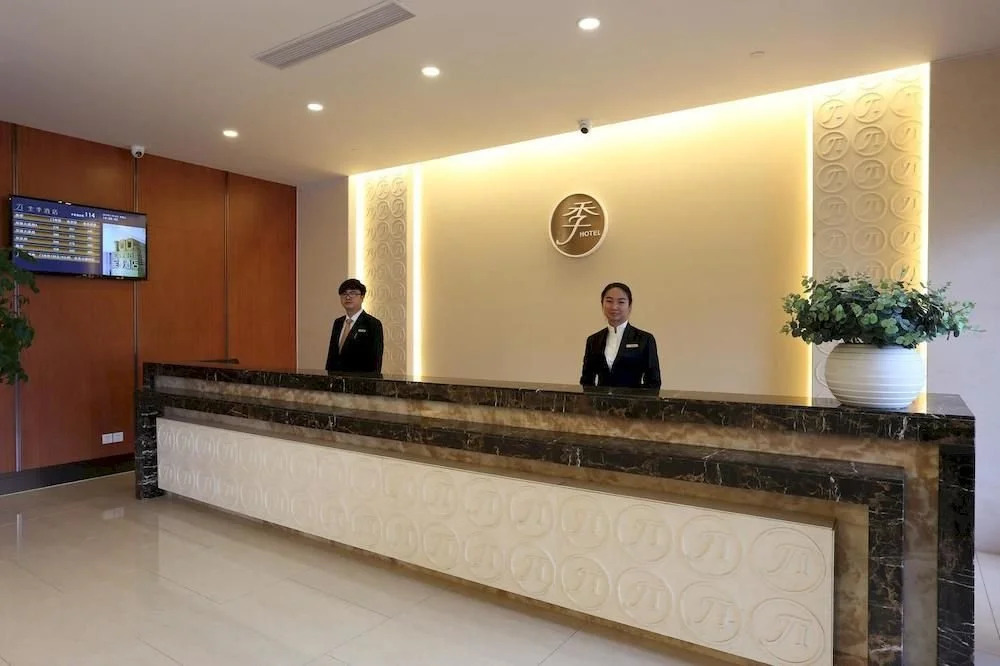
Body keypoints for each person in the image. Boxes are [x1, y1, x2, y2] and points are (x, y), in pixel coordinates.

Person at [580, 282, 661, 389]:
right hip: (600, 399)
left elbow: (653, 382)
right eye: (609, 301)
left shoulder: (644, 339)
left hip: (632, 399)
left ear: (629, 306)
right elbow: (586, 380)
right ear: (602, 304)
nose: (614, 307)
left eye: (621, 302)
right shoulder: (593, 340)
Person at [325, 279, 384, 374]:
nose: (348, 297)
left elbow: (376, 361)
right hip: (336, 379)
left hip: (360, 380)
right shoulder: (338, 323)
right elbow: (331, 356)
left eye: (353, 293)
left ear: (362, 297)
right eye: (344, 294)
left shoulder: (373, 324)